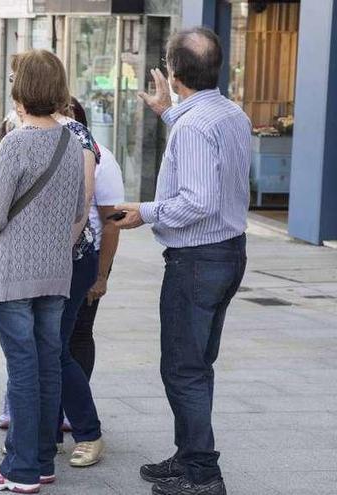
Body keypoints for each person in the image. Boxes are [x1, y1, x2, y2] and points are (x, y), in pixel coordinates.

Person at [115, 27, 250, 495]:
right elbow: (206, 159)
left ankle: (202, 475)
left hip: (198, 259)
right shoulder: (230, 114)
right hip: (229, 254)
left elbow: (198, 200)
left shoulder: (193, 125)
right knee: (197, 364)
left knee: (183, 368)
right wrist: (167, 112)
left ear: (173, 72)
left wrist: (143, 213)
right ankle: (189, 455)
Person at [0, 50, 85, 493]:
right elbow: (78, 210)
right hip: (55, 272)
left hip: (14, 272)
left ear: (20, 90)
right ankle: (41, 460)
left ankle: (18, 471)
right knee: (47, 366)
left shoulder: (15, 142)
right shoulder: (72, 141)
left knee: (21, 368)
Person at [49, 99, 105, 467]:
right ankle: (45, 433)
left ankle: (88, 432)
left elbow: (83, 207)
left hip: (71, 257)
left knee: (55, 347)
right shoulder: (21, 130)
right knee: (41, 349)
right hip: (37, 259)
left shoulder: (76, 133)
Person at [69, 100, 124, 379]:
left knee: (79, 331)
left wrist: (101, 277)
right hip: (55, 258)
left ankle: (74, 409)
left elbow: (112, 223)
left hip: (90, 257)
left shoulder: (103, 159)